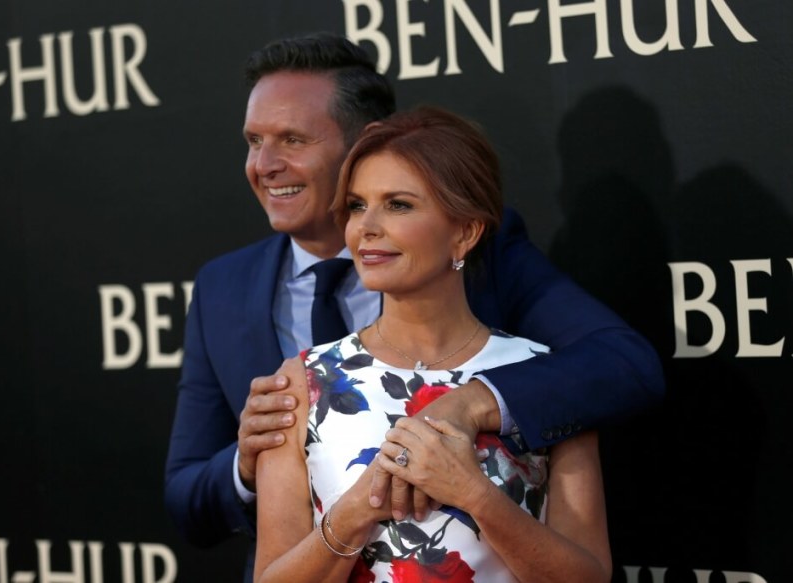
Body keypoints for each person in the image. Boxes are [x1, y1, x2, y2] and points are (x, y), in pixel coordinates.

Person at [163, 32, 661, 573]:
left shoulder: (499, 275)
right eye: (254, 141)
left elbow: (620, 364)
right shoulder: (227, 292)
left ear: (362, 142)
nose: (264, 164)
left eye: (292, 140)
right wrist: (249, 459)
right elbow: (187, 497)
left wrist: (472, 405)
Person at [253, 106, 611, 583]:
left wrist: (473, 494)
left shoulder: (543, 379)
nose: (366, 227)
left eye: (398, 204)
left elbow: (589, 577)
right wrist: (358, 509)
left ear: (465, 232)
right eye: (358, 205)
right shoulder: (303, 384)